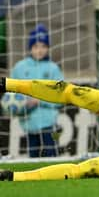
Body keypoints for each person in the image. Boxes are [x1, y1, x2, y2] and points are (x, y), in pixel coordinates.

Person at [8, 24, 63, 157]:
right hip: (28, 123)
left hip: (50, 123)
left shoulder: (53, 68)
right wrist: (21, 103)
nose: (40, 50)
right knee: (33, 159)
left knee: (52, 157)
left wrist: (40, 100)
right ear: (30, 47)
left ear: (48, 48)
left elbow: (61, 97)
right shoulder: (20, 68)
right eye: (36, 46)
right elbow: (10, 92)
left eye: (43, 46)